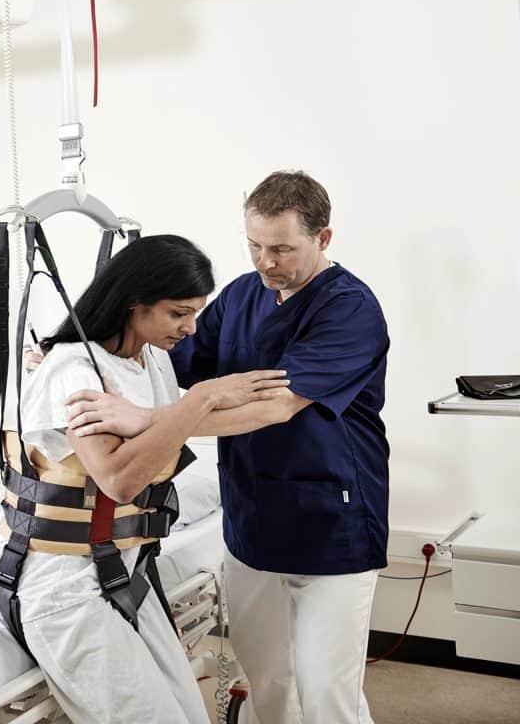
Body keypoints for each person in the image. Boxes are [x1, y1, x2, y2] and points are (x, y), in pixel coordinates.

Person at [66, 172, 390, 724]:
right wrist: (74, 351)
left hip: (331, 526)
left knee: (325, 692)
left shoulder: (350, 309)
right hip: (252, 517)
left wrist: (149, 419)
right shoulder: (243, 294)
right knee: (268, 680)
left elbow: (275, 407)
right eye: (255, 245)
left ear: (323, 238)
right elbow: (171, 366)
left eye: (283, 249)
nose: (266, 261)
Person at [0, 233, 296, 724]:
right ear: (133, 303)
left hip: (123, 572)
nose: (190, 328)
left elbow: (169, 424)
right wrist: (201, 398)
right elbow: (119, 480)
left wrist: (258, 406)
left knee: (188, 715)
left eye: (195, 313)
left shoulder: (153, 359)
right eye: (178, 313)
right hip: (62, 586)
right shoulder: (73, 370)